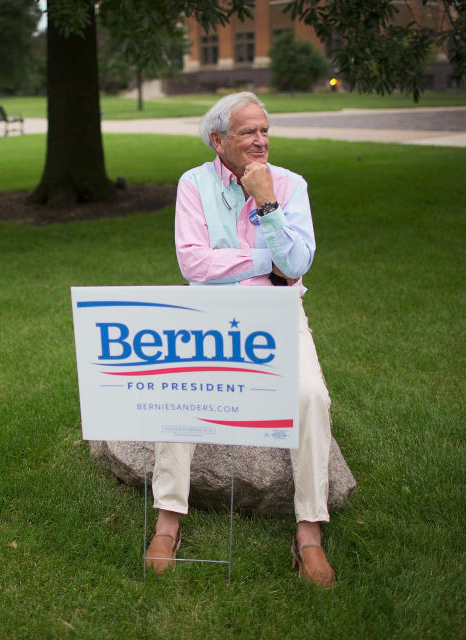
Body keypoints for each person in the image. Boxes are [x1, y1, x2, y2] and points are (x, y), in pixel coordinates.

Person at [144, 92, 335, 587]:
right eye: (249, 131)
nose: (261, 140)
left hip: (277, 310)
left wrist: (267, 203)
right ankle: (168, 519)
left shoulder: (291, 185)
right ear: (219, 140)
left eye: (265, 130)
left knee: (310, 396)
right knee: (176, 390)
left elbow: (296, 265)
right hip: (210, 312)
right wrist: (261, 264)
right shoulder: (194, 183)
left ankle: (309, 530)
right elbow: (194, 263)